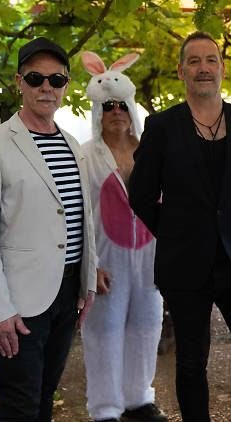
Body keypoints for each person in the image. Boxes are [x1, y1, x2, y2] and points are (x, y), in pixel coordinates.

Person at [128, 31, 231, 422]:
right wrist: (176, 232)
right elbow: (140, 196)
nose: (203, 68)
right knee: (191, 364)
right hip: (184, 264)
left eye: (210, 60)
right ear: (181, 71)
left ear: (223, 69)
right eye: (194, 61)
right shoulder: (161, 127)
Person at [0, 37, 97, 421]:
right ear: (19, 82)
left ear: (66, 86)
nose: (46, 87)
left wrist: (86, 283)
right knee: (19, 404)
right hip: (20, 304)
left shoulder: (73, 144)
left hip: (67, 294)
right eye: (36, 77)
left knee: (43, 398)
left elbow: (81, 218)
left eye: (56, 80)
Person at [79, 51, 166, 422]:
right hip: (106, 259)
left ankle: (138, 399)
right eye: (109, 106)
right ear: (100, 110)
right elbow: (77, 215)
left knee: (147, 327)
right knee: (104, 332)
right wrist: (89, 266)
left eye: (122, 105)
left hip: (150, 258)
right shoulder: (84, 156)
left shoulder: (153, 154)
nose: (117, 111)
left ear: (132, 108)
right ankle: (105, 408)